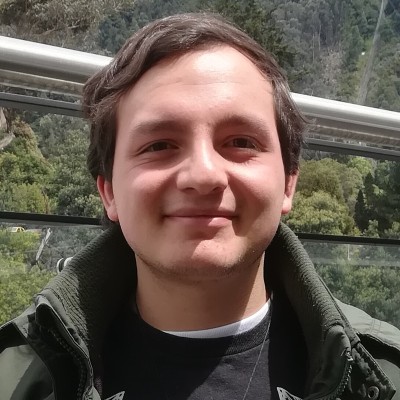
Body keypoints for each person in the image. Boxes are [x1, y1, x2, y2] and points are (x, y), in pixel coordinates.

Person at [1, 12, 400, 400]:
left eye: (240, 142)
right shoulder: (17, 378)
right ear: (109, 193)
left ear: (288, 183)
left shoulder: (384, 373)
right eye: (159, 145)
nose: (204, 174)